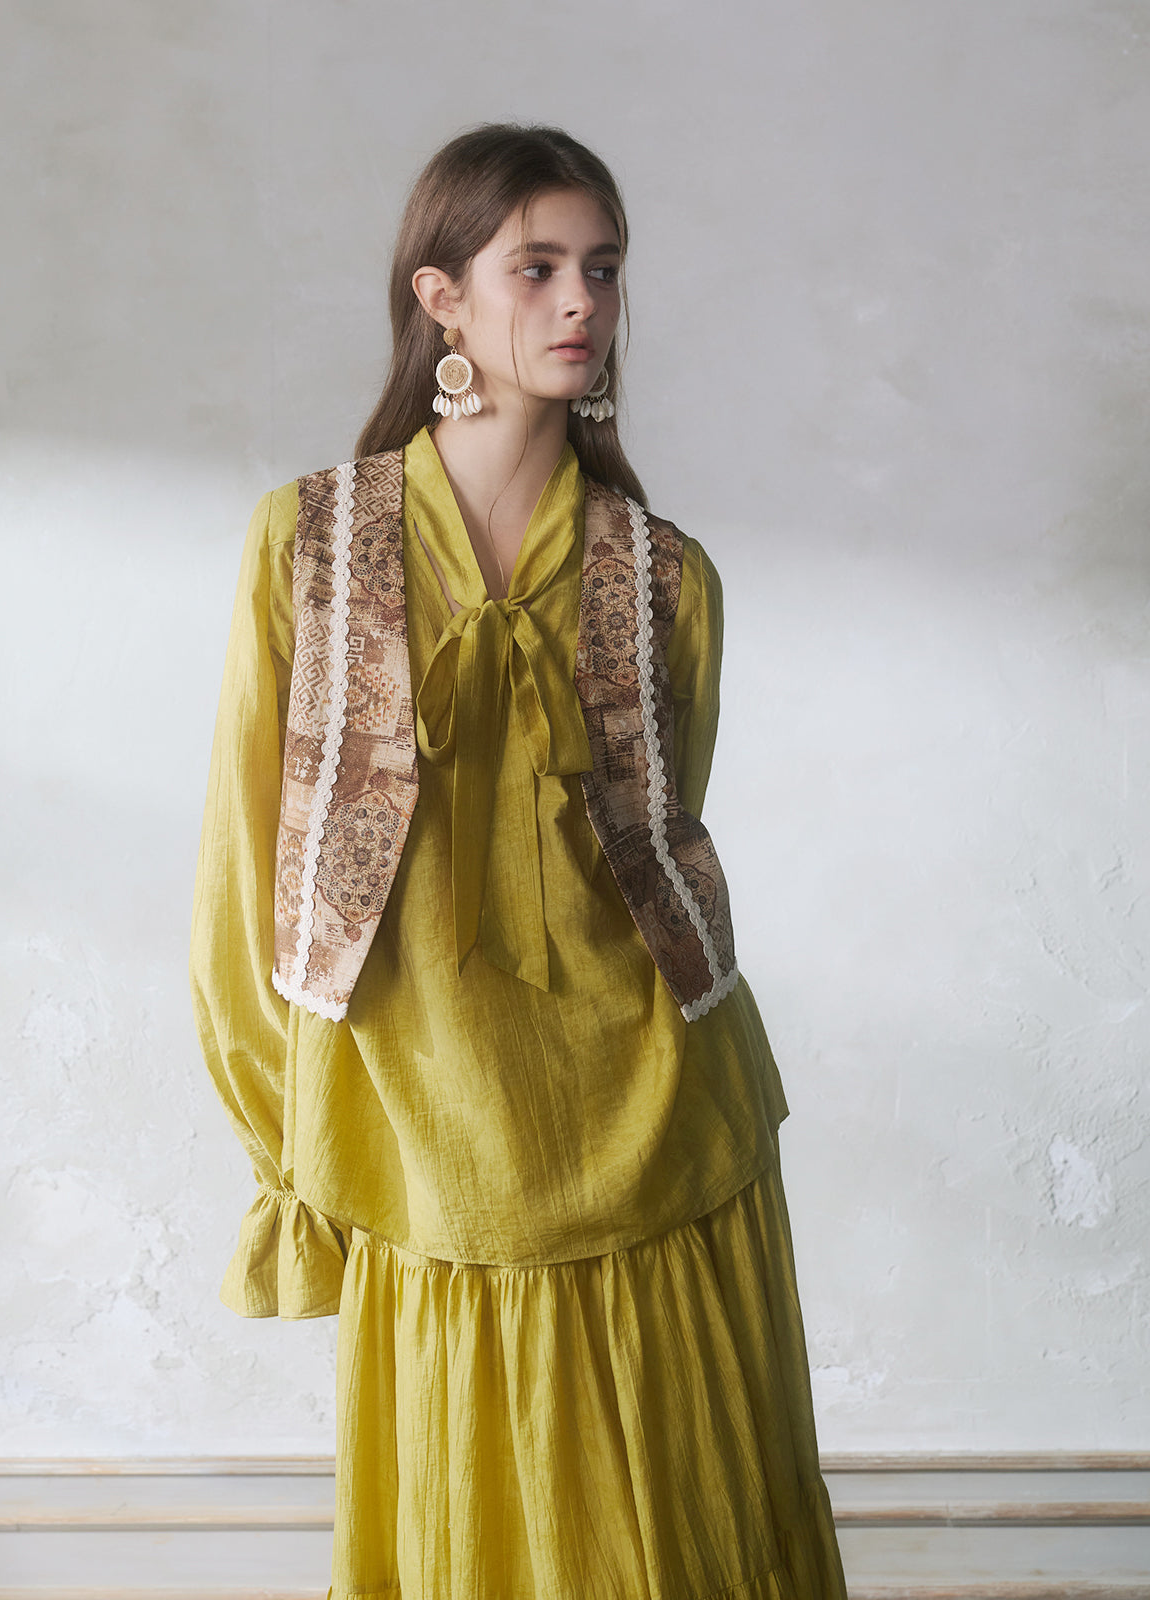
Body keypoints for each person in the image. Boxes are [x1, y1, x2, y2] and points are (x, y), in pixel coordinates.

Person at [190, 122, 847, 1600]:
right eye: (536, 268)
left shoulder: (664, 574)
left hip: (662, 1107)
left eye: (602, 270)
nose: (580, 303)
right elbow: (245, 863)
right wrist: (285, 1132)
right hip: (423, 1120)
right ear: (440, 299)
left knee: (680, 1514)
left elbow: (661, 841)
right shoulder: (310, 547)